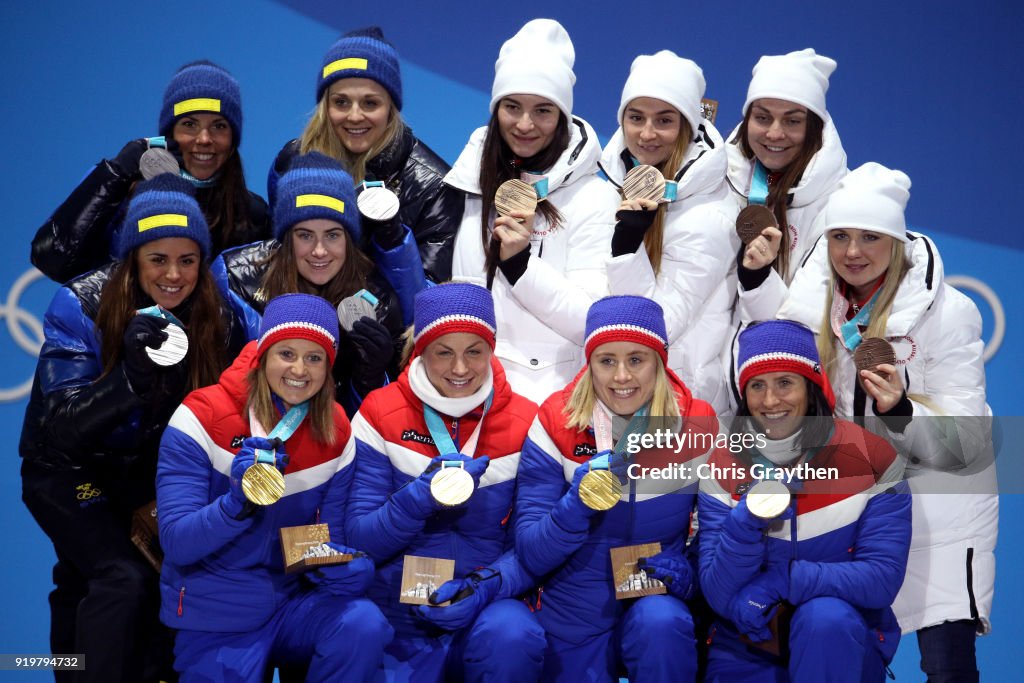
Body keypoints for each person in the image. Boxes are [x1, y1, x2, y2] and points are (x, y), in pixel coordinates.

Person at [19, 174, 246, 682]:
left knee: (146, 581)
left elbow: (263, 371)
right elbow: (61, 430)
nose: (174, 275)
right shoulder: (81, 302)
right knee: (120, 578)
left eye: (187, 260)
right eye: (158, 259)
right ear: (133, 258)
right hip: (68, 471)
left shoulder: (222, 314)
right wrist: (129, 381)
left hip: (147, 478)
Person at [779, 163, 997, 682]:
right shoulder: (816, 311)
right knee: (845, 658)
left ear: (896, 241)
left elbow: (968, 442)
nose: (853, 251)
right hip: (856, 513)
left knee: (945, 668)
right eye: (840, 236)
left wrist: (900, 410)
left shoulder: (950, 313)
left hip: (937, 514)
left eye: (870, 237)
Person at [156, 293, 392, 681]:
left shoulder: (334, 427)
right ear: (263, 354)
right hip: (215, 610)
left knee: (361, 624)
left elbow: (325, 536)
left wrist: (344, 564)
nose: (300, 369)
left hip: (291, 604)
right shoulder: (201, 416)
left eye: (314, 358)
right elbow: (178, 542)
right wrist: (237, 504)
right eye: (287, 353)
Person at [345, 282, 545, 682]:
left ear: (491, 351)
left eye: (474, 351)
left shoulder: (526, 421)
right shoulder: (379, 412)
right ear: (420, 350)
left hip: (485, 603)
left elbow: (532, 547)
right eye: (443, 352)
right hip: (396, 605)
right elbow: (357, 538)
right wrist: (417, 499)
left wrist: (483, 587)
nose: (460, 369)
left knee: (514, 635)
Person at [515, 295, 715, 682]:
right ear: (589, 364)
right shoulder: (556, 420)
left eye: (636, 360)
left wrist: (688, 573)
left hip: (653, 590)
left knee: (662, 624)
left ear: (660, 361)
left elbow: (716, 534)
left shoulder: (698, 422)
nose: (621, 376)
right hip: (573, 598)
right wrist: (577, 503)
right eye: (607, 361)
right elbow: (530, 549)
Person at [698, 319, 911, 682]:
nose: (769, 400)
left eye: (785, 383)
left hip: (840, 640)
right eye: (757, 385)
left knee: (825, 617)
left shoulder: (873, 458)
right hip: (749, 641)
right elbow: (718, 592)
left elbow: (881, 578)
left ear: (810, 386)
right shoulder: (723, 463)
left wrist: (784, 581)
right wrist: (745, 522)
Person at [445, 18, 617, 404]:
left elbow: (594, 322)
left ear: (562, 116)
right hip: (466, 395)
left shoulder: (593, 197)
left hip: (549, 408)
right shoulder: (469, 183)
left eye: (542, 110)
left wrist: (521, 264)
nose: (524, 124)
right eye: (512, 107)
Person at [269, 27, 461, 321]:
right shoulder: (293, 162)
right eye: (341, 102)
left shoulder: (434, 186)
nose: (355, 116)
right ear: (325, 105)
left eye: (370, 103)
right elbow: (282, 258)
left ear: (391, 108)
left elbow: (427, 302)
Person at [32, 60, 270, 283]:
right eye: (189, 124)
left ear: (233, 139)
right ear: (168, 134)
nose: (204, 139)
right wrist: (118, 172)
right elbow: (53, 259)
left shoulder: (252, 215)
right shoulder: (117, 187)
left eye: (219, 126)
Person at [215, 151, 404, 416]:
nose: (319, 251)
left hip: (333, 444)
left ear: (349, 238)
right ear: (285, 237)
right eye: (305, 235)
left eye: (332, 235)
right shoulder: (235, 279)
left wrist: (370, 379)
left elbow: (376, 428)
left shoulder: (378, 301)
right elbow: (213, 389)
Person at [600, 50, 737, 414]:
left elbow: (657, 325)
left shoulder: (709, 214)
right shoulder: (613, 185)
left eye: (664, 120)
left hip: (683, 407)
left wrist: (627, 248)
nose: (646, 134)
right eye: (636, 117)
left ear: (687, 127)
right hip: (626, 395)